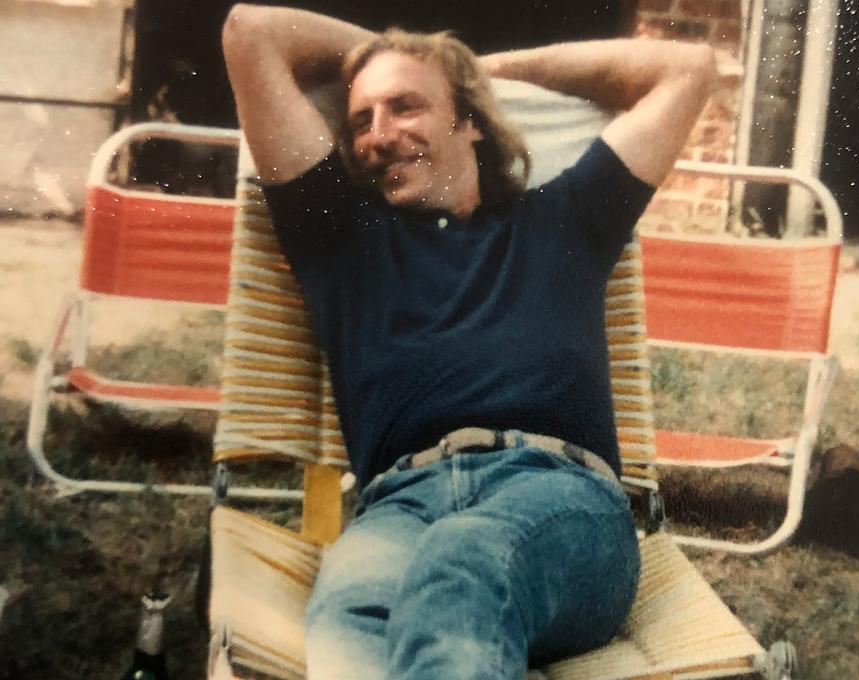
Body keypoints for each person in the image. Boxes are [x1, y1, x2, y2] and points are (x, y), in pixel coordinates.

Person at [221, 5, 715, 679]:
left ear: (470, 121)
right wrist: (400, 53)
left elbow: (686, 70)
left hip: (561, 503)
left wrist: (482, 69)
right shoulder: (341, 238)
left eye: (406, 107)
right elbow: (251, 32)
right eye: (361, 119)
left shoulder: (566, 221)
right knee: (350, 615)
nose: (379, 135)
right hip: (398, 507)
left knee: (465, 560)